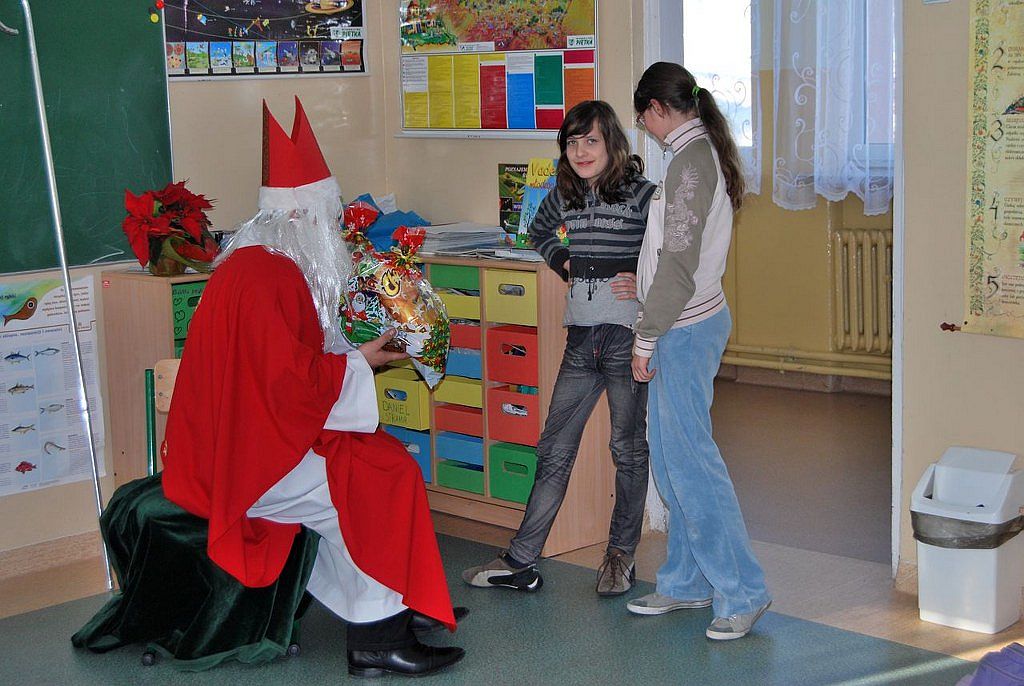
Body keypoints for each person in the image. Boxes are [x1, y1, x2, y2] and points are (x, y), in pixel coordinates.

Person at [160, 97, 465, 676]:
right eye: (329, 219)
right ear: (302, 218)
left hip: (246, 440)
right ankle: (377, 638)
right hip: (246, 463)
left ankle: (400, 602)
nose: (334, 232)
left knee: (377, 465)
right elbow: (288, 383)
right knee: (384, 477)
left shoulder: (258, 263)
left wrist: (353, 355)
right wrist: (361, 364)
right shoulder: (268, 278)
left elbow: (284, 371)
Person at [462, 100, 656, 597]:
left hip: (625, 339)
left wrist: (644, 282)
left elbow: (672, 256)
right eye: (572, 143)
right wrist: (562, 261)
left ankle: (620, 555)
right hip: (581, 340)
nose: (581, 151)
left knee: (627, 449)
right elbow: (538, 230)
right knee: (554, 449)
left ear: (613, 144)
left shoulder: (643, 195)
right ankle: (521, 560)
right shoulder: (565, 194)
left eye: (591, 141)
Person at [626, 63, 771, 640]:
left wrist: (645, 336)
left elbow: (678, 266)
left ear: (658, 109)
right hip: (679, 326)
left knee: (693, 466)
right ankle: (687, 581)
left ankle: (743, 591)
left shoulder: (690, 162)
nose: (645, 128)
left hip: (684, 330)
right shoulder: (692, 153)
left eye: (644, 118)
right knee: (670, 462)